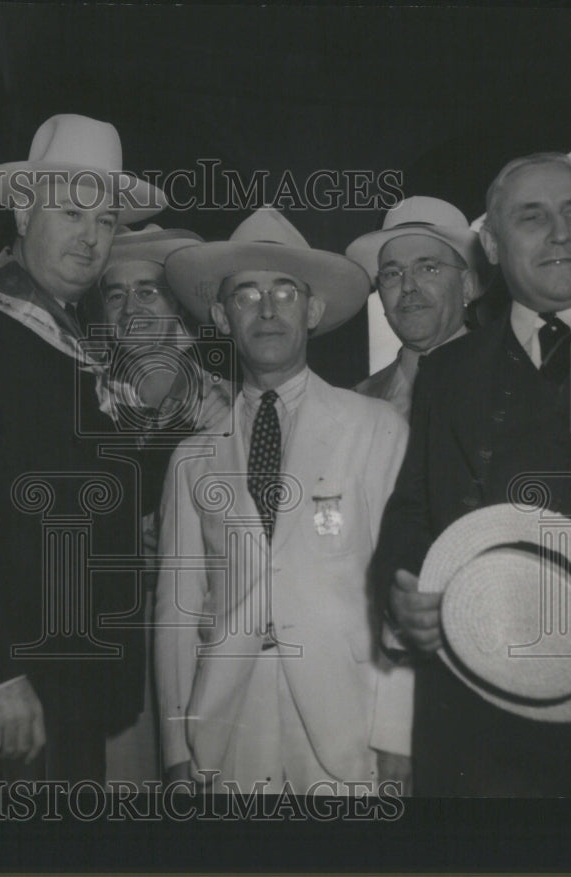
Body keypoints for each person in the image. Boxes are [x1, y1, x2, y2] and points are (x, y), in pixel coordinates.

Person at [0, 114, 165, 789]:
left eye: (105, 221)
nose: (92, 236)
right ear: (22, 212)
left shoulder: (81, 351)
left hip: (73, 693)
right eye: (71, 212)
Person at [373, 153, 571, 796]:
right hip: (479, 718)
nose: (560, 233)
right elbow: (413, 512)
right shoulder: (449, 373)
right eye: (533, 217)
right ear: (492, 246)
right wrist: (399, 591)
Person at [154, 207, 414, 795]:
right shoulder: (193, 457)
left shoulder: (375, 428)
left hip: (349, 720)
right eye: (246, 295)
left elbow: (401, 583)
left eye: (285, 293)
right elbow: (177, 612)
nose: (267, 311)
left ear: (313, 311)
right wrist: (176, 747)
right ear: (222, 317)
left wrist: (397, 731)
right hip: (227, 722)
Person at [92, 224, 233, 783]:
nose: (132, 307)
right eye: (115, 293)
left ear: (177, 304)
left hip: (200, 631)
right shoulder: (79, 400)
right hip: (104, 630)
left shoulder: (227, 405)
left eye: (148, 290)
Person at [346, 197, 484, 419]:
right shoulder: (357, 405)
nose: (408, 286)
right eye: (392, 274)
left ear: (467, 286)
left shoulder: (515, 382)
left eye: (427, 269)